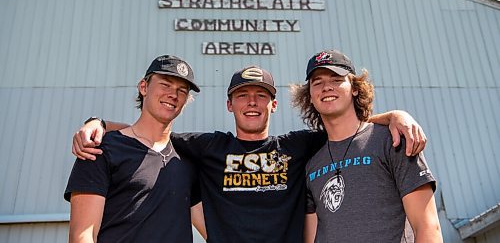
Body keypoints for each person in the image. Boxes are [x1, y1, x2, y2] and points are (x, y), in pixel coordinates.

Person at [73, 65, 427, 242]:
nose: (252, 102)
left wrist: (393, 115)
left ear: (274, 104)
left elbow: (343, 124)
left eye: (261, 95)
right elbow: (154, 130)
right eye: (243, 95)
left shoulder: (299, 146)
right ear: (229, 105)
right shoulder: (207, 146)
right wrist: (100, 123)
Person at [291, 50, 442, 242]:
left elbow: (427, 226)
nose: (326, 87)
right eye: (317, 82)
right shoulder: (311, 162)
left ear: (354, 88)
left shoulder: (392, 139)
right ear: (310, 96)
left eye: (337, 79)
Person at [64, 55, 206, 243]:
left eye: (182, 90)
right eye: (165, 84)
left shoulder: (185, 157)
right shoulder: (102, 149)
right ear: (143, 87)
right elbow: (83, 236)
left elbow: (213, 230)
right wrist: (99, 123)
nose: (174, 94)